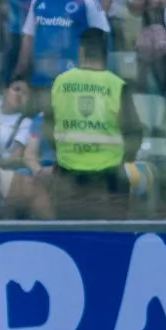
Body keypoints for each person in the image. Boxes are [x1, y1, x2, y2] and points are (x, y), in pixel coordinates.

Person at [44, 28, 143, 219]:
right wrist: (125, 158)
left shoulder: (60, 82)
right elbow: (133, 132)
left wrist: (63, 153)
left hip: (68, 177)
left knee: (70, 239)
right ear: (106, 54)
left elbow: (48, 127)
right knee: (111, 241)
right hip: (108, 180)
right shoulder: (116, 85)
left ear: (81, 51)